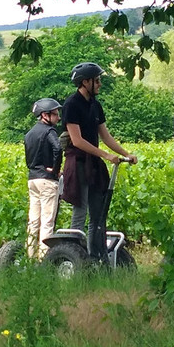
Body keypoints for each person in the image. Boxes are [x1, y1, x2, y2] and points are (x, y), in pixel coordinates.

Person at [61, 62, 137, 263]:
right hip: (77, 164)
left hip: (93, 165)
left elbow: (106, 136)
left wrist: (126, 154)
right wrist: (105, 155)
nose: (100, 84)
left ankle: (97, 257)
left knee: (98, 214)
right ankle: (75, 258)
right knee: (80, 211)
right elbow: (77, 140)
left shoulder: (96, 105)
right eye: (97, 80)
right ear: (85, 82)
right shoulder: (71, 105)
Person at [24, 98, 64, 259]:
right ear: (45, 115)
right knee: (47, 221)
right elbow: (58, 148)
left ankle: (29, 257)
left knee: (33, 221)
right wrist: (55, 170)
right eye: (55, 114)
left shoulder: (29, 134)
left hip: (32, 179)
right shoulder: (49, 131)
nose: (58, 118)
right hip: (47, 180)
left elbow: (28, 158)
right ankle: (44, 260)